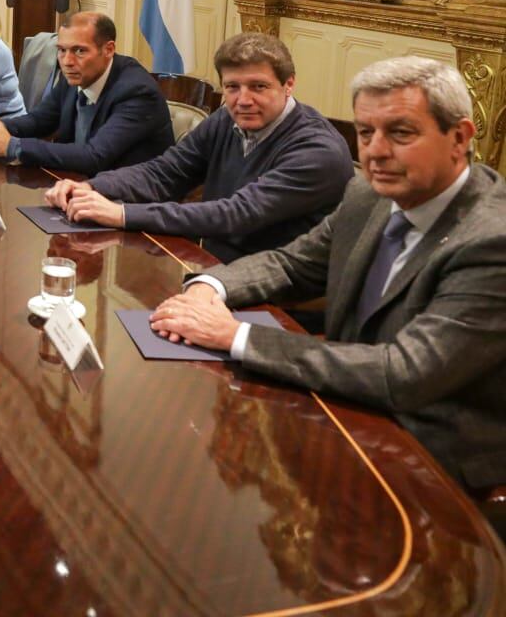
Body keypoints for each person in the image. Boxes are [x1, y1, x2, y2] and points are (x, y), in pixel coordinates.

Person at [150, 56, 506, 497]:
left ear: (459, 138)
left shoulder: (493, 240)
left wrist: (234, 336)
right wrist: (210, 288)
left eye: (400, 133)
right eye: (365, 132)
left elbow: (404, 374)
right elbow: (292, 263)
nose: (375, 151)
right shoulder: (368, 194)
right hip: (344, 402)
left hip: (432, 449)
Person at [45, 33, 352, 262]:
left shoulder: (318, 151)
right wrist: (92, 188)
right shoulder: (227, 118)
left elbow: (235, 213)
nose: (243, 99)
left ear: (289, 85)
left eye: (258, 86)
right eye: (232, 87)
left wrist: (122, 213)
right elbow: (165, 172)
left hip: (274, 289)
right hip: (208, 266)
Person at [0, 12, 172, 174]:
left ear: (108, 49)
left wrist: (12, 146)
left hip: (128, 201)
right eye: (62, 50)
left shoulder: (137, 92)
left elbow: (95, 156)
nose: (67, 61)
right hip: (78, 185)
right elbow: (41, 120)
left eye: (79, 51)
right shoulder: (76, 74)